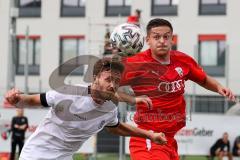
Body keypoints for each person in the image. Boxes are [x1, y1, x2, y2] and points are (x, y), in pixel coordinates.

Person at [5, 58, 167, 160]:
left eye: (117, 81)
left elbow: (116, 127)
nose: (113, 85)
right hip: (37, 154)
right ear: (94, 78)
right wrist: (17, 99)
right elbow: (34, 100)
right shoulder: (68, 93)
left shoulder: (110, 108)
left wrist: (150, 135)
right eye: (109, 79)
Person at [119, 18, 235, 160]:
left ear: (172, 39)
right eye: (156, 37)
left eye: (166, 36)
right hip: (148, 138)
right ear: (147, 40)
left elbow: (203, 79)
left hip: (168, 140)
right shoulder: (136, 63)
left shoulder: (183, 60)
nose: (162, 40)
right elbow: (105, 84)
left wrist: (219, 87)